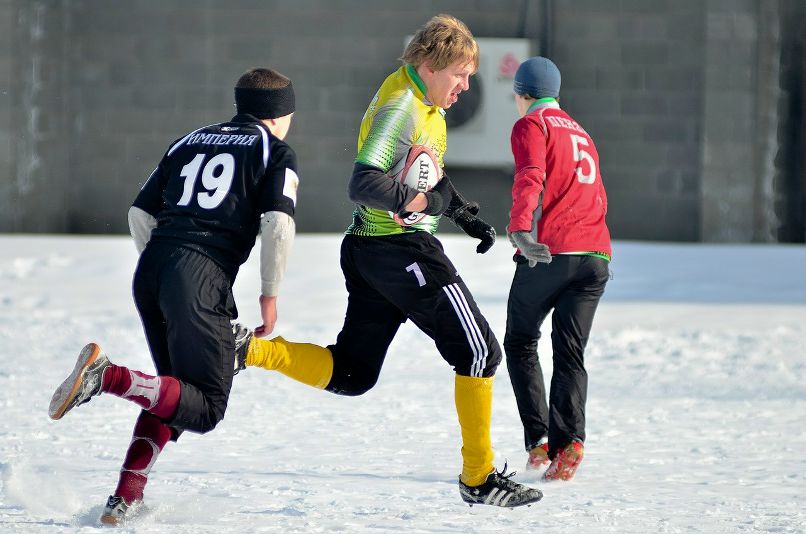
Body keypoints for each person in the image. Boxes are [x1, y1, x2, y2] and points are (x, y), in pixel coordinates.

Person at [232, 15, 542, 508]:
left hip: (372, 252)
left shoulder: (424, 102)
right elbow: (364, 183)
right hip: (398, 249)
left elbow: (422, 172)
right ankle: (478, 477)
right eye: (460, 74)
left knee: (353, 373)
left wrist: (460, 211)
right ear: (430, 64)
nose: (466, 86)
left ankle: (249, 351)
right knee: (479, 351)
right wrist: (426, 205)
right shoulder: (402, 106)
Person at [48, 67, 300, 524]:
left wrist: (166, 269)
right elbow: (278, 224)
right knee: (205, 408)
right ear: (281, 115)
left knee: (173, 394)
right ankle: (107, 376)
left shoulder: (189, 140)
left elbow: (139, 213)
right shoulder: (273, 149)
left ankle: (124, 498)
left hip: (153, 267)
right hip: (197, 275)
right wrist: (269, 295)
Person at [504, 56, 612, 481]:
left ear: (522, 93)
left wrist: (519, 229)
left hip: (552, 252)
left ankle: (540, 441)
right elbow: (597, 192)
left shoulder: (532, 124)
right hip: (596, 255)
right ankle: (570, 443)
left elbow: (530, 174)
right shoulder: (581, 131)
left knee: (519, 341)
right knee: (570, 351)